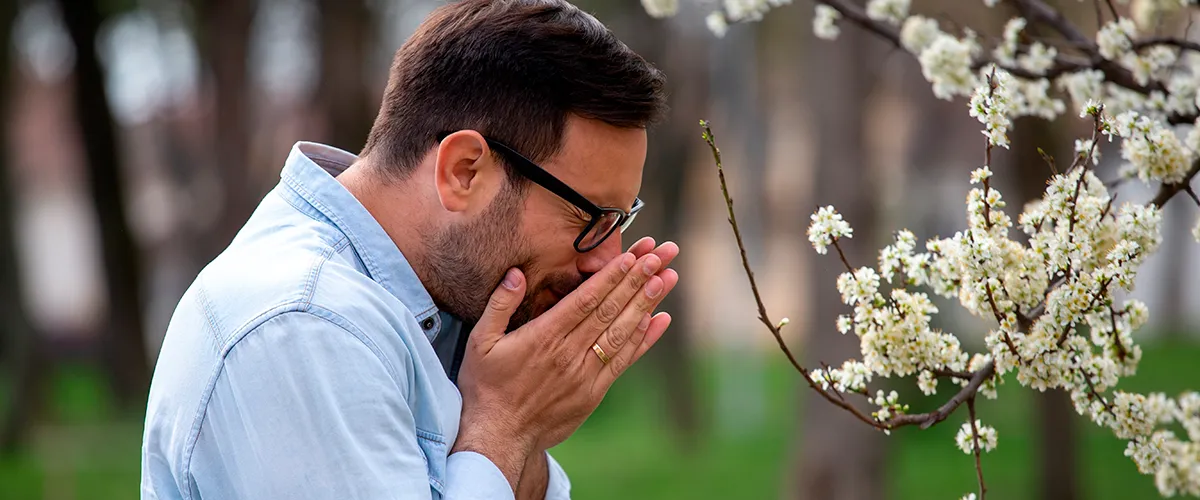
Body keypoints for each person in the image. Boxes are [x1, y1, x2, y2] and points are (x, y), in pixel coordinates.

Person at [139, 0, 679, 499]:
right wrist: (505, 427)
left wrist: (525, 430)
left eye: (621, 219)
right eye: (589, 216)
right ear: (464, 171)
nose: (608, 260)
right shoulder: (306, 326)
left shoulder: (440, 307)